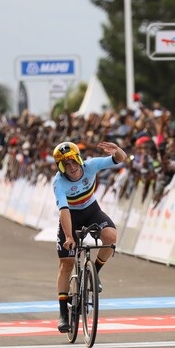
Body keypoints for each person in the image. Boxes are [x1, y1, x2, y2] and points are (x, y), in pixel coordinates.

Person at [52, 140, 127, 333]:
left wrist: (117, 150)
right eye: (66, 164)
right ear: (61, 167)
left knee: (110, 237)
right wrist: (69, 236)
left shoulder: (90, 166)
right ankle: (63, 314)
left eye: (73, 162)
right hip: (71, 217)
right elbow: (64, 211)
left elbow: (121, 159)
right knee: (67, 263)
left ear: (79, 159)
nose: (71, 167)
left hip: (91, 211)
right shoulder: (59, 182)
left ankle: (94, 273)